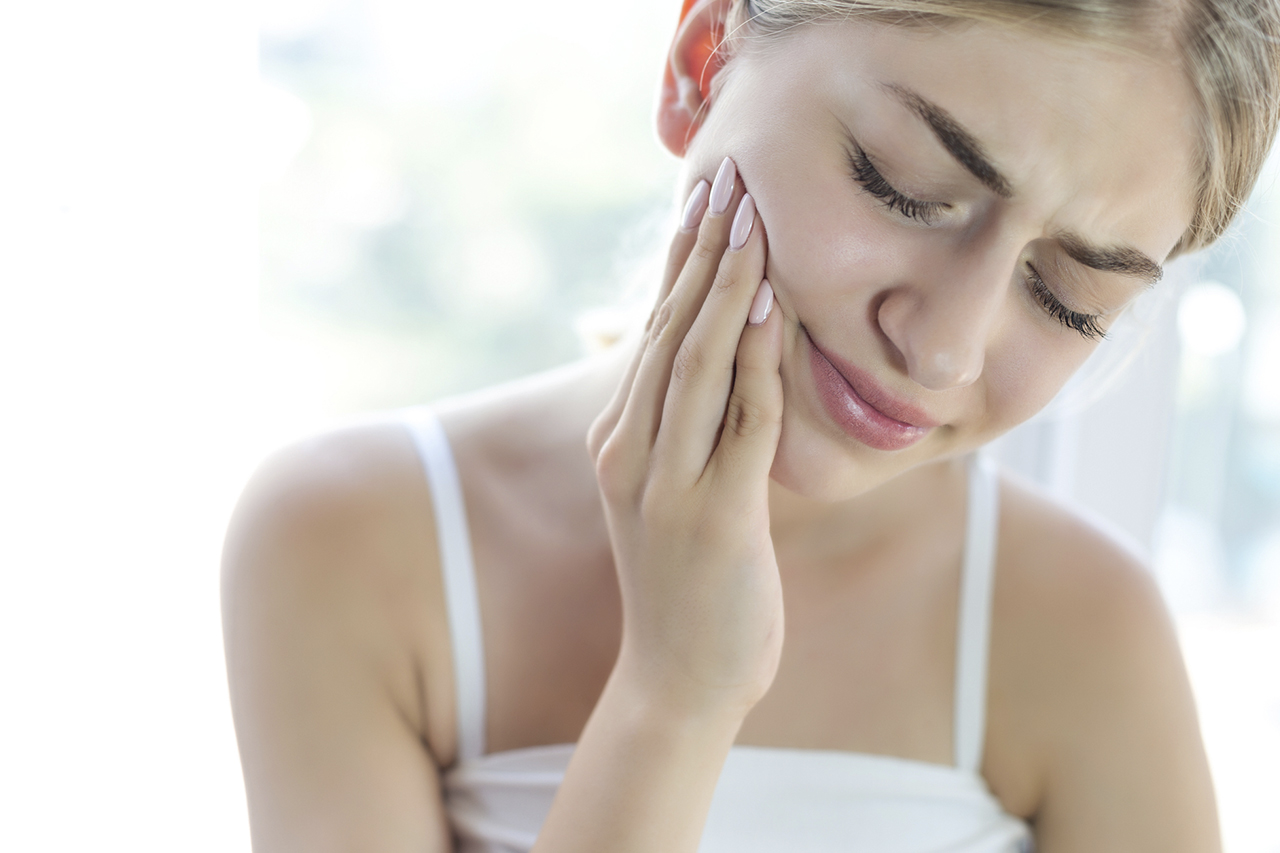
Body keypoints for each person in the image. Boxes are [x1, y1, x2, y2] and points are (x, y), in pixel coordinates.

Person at [222, 0, 1280, 850]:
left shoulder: (1084, 629)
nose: (944, 348)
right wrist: (675, 695)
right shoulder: (345, 542)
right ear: (699, 63)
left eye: (1066, 296)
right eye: (903, 189)